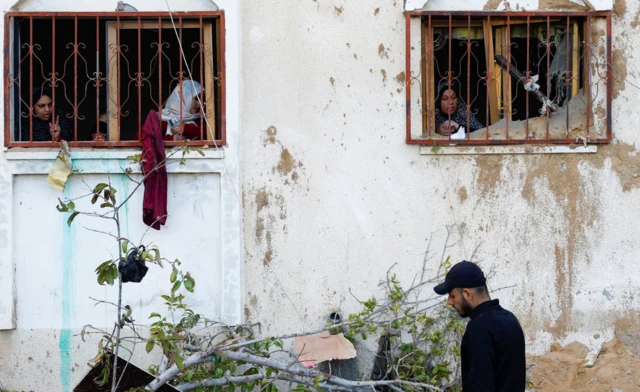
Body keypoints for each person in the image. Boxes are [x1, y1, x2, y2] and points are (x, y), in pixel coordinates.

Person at [433, 261, 525, 391]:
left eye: (452, 295)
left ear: (467, 294)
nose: (449, 301)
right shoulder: (510, 320)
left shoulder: (478, 328)